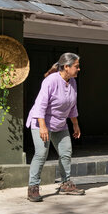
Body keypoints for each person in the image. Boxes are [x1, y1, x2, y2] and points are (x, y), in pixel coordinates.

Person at [26, 52, 85, 202]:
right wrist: (43, 126)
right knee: (41, 153)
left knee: (66, 152)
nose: (79, 69)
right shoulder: (50, 81)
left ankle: (65, 184)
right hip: (41, 122)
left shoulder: (72, 82)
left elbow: (72, 106)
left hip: (60, 124)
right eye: (76, 67)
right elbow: (40, 105)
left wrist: (75, 125)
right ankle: (33, 187)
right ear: (66, 67)